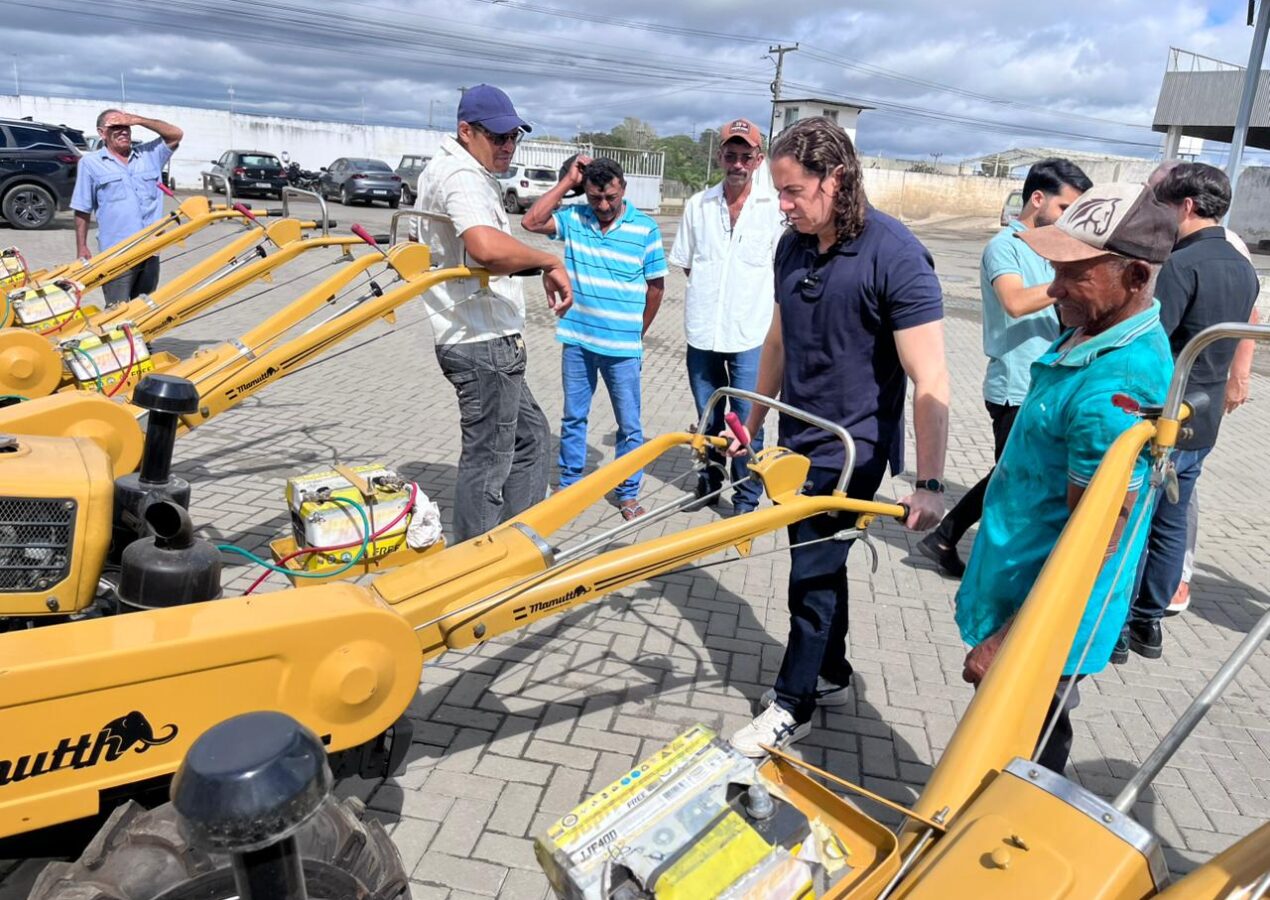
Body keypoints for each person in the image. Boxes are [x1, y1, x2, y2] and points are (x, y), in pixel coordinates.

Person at [726, 117, 949, 757]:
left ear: (838, 178)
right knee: (823, 559)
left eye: (794, 191)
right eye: (779, 192)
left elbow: (931, 376)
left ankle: (792, 704)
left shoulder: (896, 255)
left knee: (812, 571)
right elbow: (777, 339)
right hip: (797, 437)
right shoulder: (792, 244)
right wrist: (757, 417)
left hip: (852, 447)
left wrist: (930, 484)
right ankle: (830, 672)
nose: (784, 205)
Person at [955, 182, 1177, 774]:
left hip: (1042, 619)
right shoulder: (1092, 327)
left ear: (1133, 276)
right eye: (1053, 268)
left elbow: (1097, 537)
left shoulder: (1116, 386)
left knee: (1021, 740)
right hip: (1021, 581)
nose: (1052, 289)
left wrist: (1013, 638)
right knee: (1013, 731)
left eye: (1072, 274)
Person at [1112, 163, 1259, 662]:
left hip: (1164, 416)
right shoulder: (1243, 265)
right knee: (1172, 522)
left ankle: (1115, 628)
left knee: (1134, 521)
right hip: (1205, 415)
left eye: (1167, 207)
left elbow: (1155, 342)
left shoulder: (1181, 263)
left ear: (1188, 207)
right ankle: (1149, 623)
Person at [413, 83, 573, 543]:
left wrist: (533, 263)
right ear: (466, 131)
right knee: (490, 460)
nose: (508, 147)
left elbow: (477, 252)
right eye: (498, 137)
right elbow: (484, 246)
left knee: (532, 439)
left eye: (513, 137)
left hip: (483, 338)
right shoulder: (462, 176)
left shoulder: (453, 169)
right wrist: (549, 260)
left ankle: (514, 541)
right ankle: (476, 570)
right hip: (481, 342)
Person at [917, 159, 1092, 576]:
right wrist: (1067, 284)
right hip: (1016, 384)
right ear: (1037, 199)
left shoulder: (1054, 249)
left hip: (1050, 383)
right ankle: (990, 565)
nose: (1071, 219)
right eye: (1067, 208)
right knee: (1016, 482)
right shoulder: (1005, 247)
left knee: (1014, 474)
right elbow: (1014, 302)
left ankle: (946, 538)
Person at [522, 156, 667, 519]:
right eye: (594, 199)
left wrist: (636, 332)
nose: (603, 206)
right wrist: (567, 181)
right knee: (574, 418)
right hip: (578, 342)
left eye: (611, 199)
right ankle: (569, 486)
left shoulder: (645, 229)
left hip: (623, 348)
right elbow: (531, 221)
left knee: (630, 426)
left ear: (623, 190)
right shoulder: (575, 219)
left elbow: (657, 289)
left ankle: (628, 492)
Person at [668, 118, 786, 515]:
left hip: (753, 333)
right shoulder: (697, 206)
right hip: (703, 332)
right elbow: (688, 264)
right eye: (730, 155)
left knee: (748, 418)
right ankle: (709, 483)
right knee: (708, 417)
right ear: (720, 156)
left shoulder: (774, 210)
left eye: (745, 156)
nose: (737, 163)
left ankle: (747, 495)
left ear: (758, 159)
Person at [71, 109, 183, 305]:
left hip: (150, 248)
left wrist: (137, 119)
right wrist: (82, 247)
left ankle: (142, 337)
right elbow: (82, 208)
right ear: (101, 132)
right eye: (115, 127)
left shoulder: (149, 155)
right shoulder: (90, 163)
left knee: (143, 308)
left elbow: (175, 134)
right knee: (117, 309)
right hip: (117, 252)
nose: (123, 131)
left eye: (126, 127)